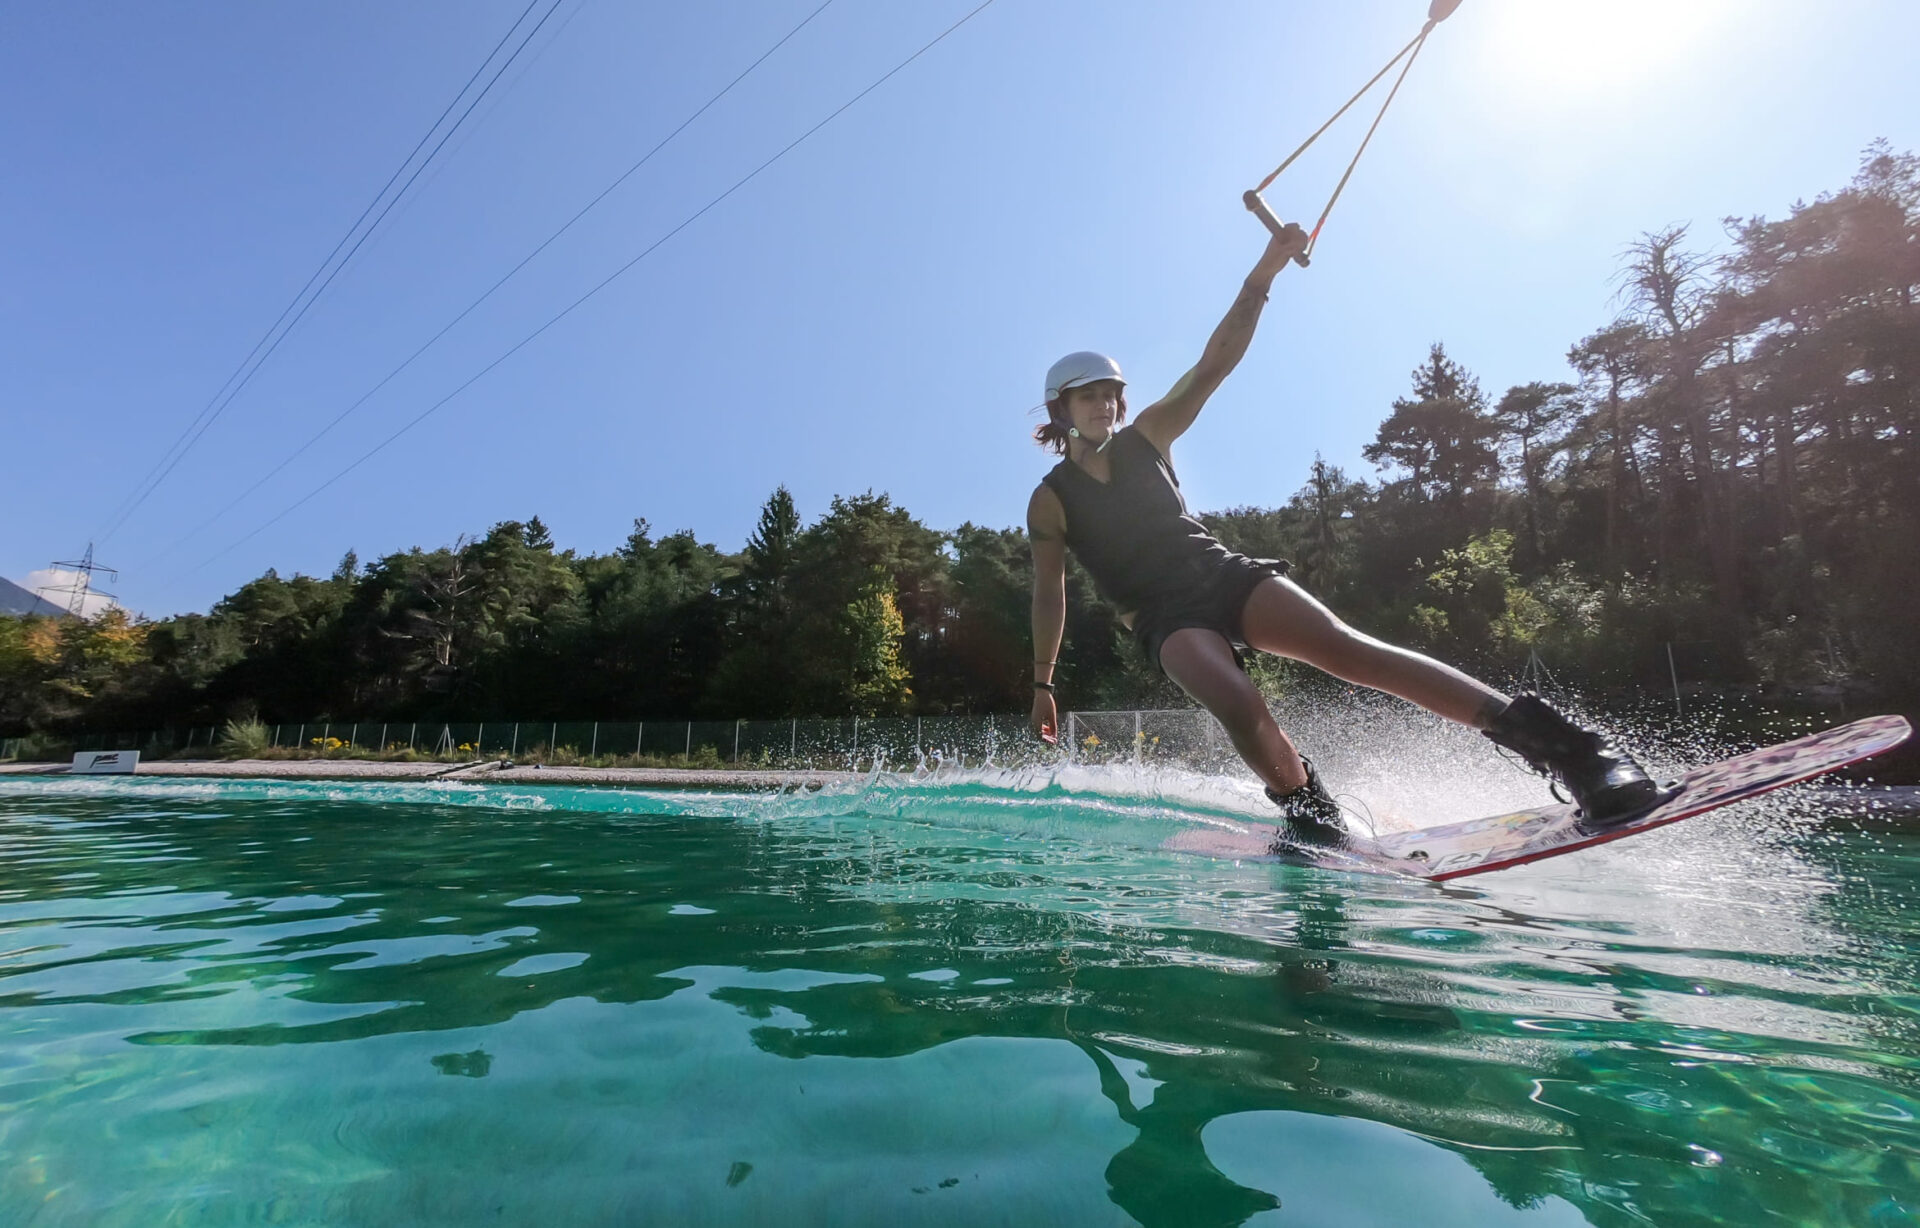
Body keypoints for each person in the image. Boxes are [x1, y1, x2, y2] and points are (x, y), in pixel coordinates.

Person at [1025, 223, 1663, 844]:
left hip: (1218, 574)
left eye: (1111, 394)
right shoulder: (1050, 501)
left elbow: (1215, 361)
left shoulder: (1151, 436)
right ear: (1063, 409)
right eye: (1089, 398)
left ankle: (1576, 756)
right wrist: (1044, 683)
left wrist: (1264, 272)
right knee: (1236, 703)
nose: (1105, 405)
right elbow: (1049, 593)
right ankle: (1309, 808)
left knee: (1349, 651)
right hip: (1163, 617)